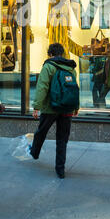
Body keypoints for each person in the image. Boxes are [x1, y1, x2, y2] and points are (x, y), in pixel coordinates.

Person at [30, 43, 79, 179]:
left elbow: (42, 87)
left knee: (41, 131)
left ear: (50, 54)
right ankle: (60, 170)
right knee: (62, 139)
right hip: (67, 108)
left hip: (50, 108)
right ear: (62, 54)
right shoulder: (71, 68)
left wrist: (37, 107)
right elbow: (74, 89)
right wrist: (76, 107)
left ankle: (34, 152)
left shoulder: (48, 66)